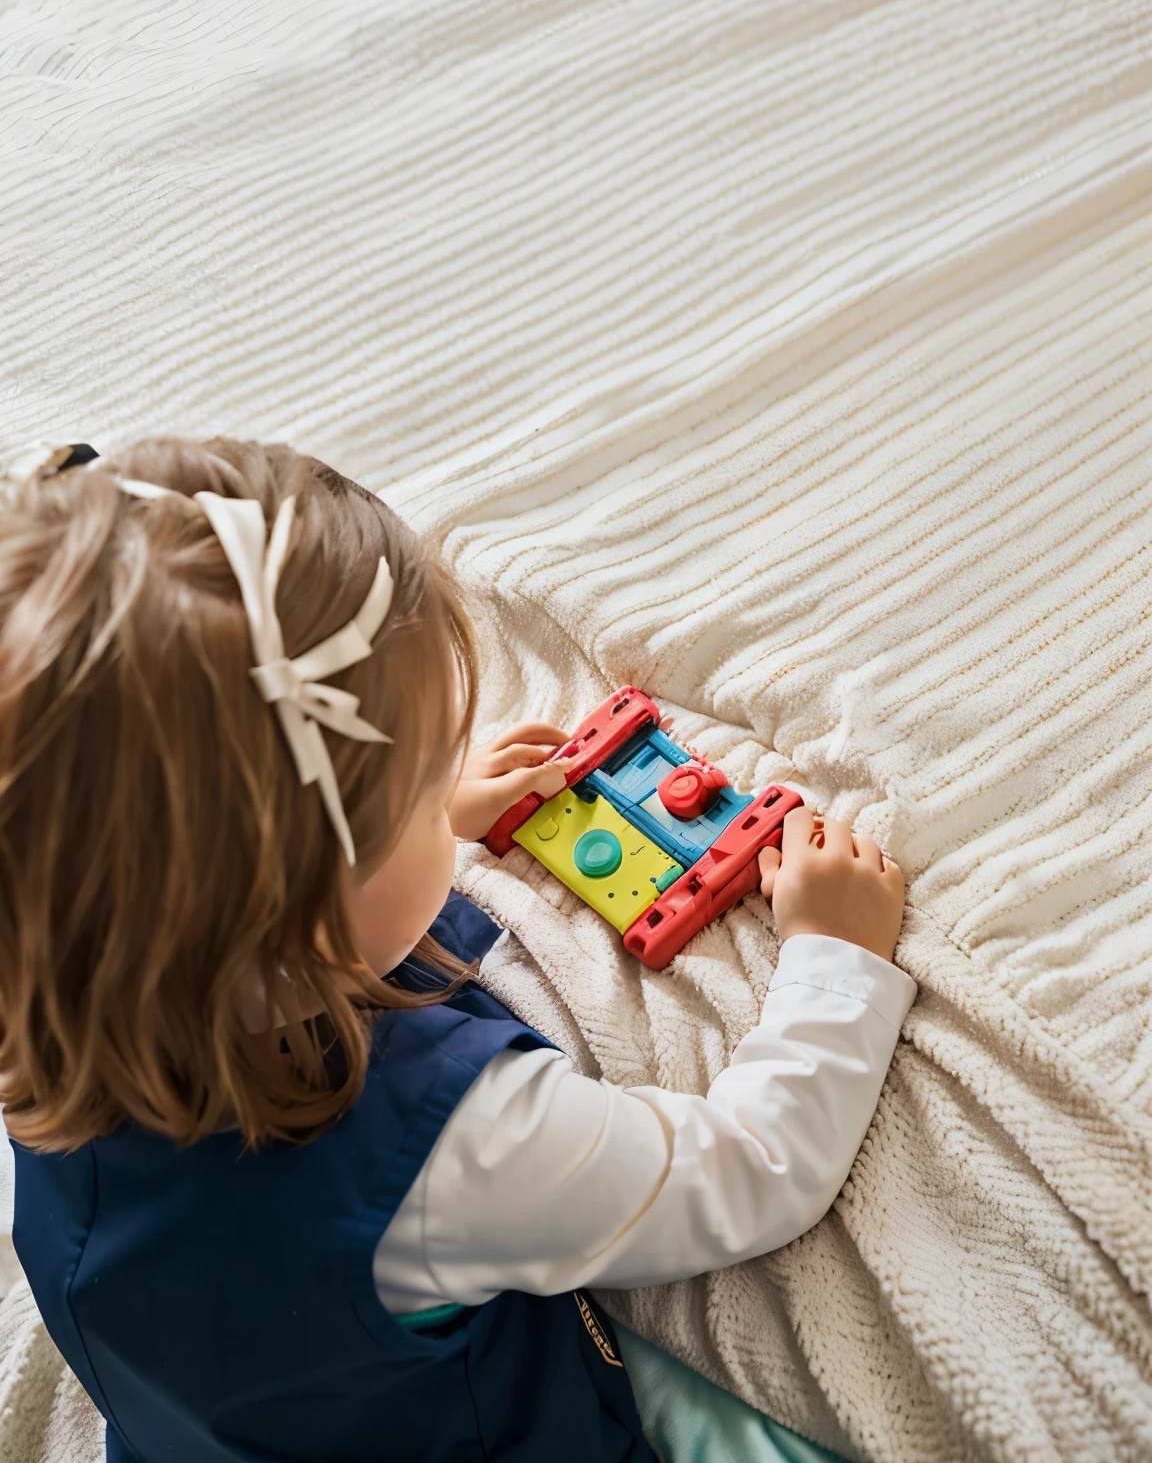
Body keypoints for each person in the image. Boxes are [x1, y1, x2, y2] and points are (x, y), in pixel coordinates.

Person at [1, 437, 915, 1463]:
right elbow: (752, 1172)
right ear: (304, 911)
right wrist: (836, 960)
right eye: (414, 798)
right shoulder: (453, 1149)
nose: (446, 802)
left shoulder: (51, 982)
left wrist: (404, 816)